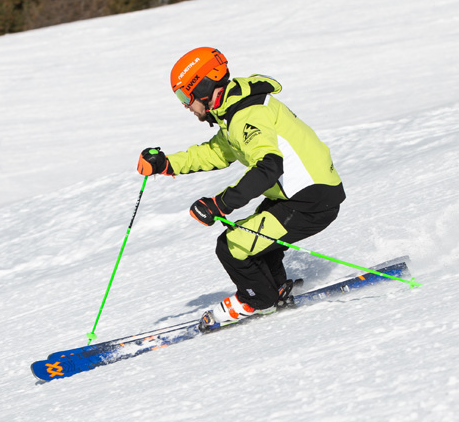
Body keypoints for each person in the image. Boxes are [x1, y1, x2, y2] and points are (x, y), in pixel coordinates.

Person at [137, 47, 346, 330]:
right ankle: (273, 290)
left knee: (231, 246)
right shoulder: (235, 110)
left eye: (185, 96)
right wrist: (166, 163)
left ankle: (260, 300)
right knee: (254, 244)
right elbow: (216, 152)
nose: (185, 105)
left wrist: (219, 204)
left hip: (308, 200)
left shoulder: (247, 115)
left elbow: (269, 166)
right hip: (300, 195)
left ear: (203, 86)